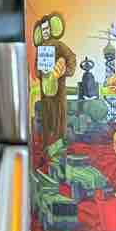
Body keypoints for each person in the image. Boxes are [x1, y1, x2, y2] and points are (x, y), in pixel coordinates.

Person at [34, 13, 76, 149]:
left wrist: (64, 71)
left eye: (47, 29)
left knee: (59, 118)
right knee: (46, 117)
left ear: (52, 29)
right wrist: (41, 72)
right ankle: (46, 146)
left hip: (58, 91)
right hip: (45, 91)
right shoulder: (40, 49)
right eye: (43, 30)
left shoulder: (59, 45)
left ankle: (60, 146)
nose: (45, 32)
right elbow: (36, 69)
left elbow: (71, 58)